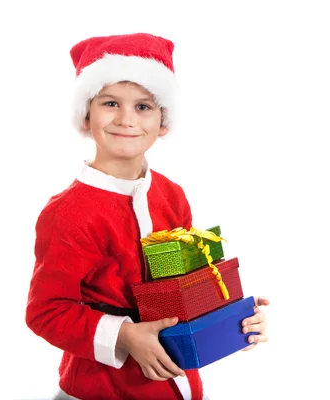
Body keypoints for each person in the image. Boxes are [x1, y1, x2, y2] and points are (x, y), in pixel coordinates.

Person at [25, 33, 269, 400]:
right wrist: (124, 335)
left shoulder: (171, 193)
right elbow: (45, 312)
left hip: (176, 381)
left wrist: (233, 318)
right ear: (85, 115)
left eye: (143, 107)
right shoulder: (66, 214)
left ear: (162, 121)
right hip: (101, 389)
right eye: (110, 103)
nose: (126, 119)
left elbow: (184, 285)